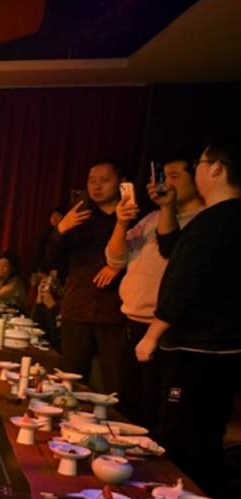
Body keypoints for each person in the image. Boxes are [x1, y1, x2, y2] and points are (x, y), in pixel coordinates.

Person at [135, 136, 241, 499]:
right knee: (204, 436)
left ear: (217, 168)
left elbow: (185, 280)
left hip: (197, 350)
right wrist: (166, 206)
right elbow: (171, 248)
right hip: (220, 349)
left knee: (184, 442)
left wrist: (152, 333)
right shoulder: (221, 218)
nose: (197, 171)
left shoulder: (217, 220)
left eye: (200, 164)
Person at [105, 154, 204, 428]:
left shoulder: (203, 220)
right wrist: (121, 223)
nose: (166, 183)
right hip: (132, 322)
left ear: (197, 178)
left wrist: (168, 209)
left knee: (157, 412)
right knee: (129, 405)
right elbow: (115, 259)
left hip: (166, 329)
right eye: (162, 177)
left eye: (175, 176)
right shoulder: (151, 217)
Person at [44, 161, 126, 392]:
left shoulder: (131, 218)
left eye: (104, 180)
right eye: (92, 181)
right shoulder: (80, 217)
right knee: (70, 381)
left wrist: (119, 266)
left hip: (114, 311)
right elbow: (52, 259)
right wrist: (61, 229)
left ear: (121, 182)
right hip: (77, 307)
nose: (96, 186)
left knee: (114, 385)